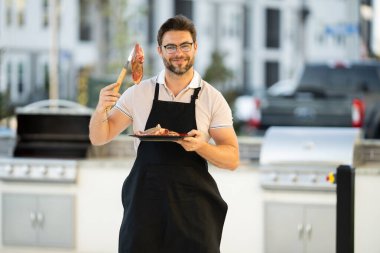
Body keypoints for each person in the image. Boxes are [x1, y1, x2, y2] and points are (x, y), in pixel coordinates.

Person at [89, 14, 240, 253]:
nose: (178, 53)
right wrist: (100, 110)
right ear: (159, 50)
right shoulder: (137, 93)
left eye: (184, 46)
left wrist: (201, 147)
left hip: (194, 212)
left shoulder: (212, 99)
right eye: (170, 47)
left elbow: (232, 158)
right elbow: (99, 137)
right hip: (144, 209)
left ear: (195, 48)